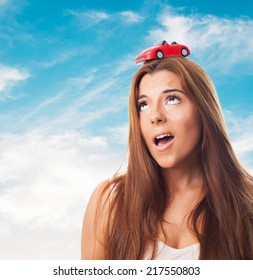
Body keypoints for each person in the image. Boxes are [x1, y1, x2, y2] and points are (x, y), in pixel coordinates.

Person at [81, 54, 253, 260]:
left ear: (204, 111)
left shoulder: (246, 204)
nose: (155, 116)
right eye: (143, 105)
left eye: (172, 99)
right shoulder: (109, 202)